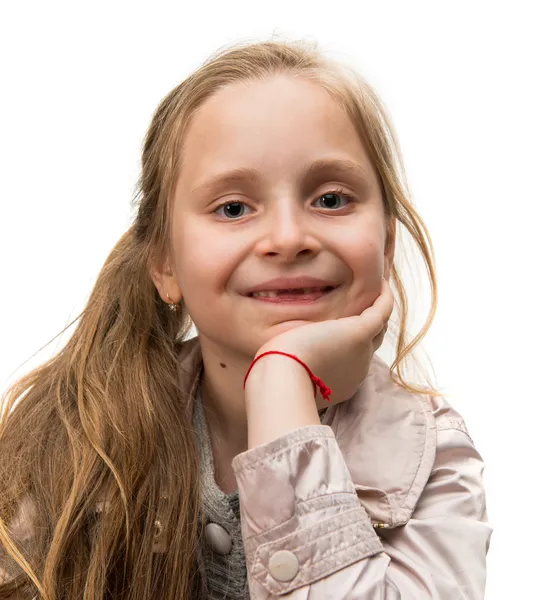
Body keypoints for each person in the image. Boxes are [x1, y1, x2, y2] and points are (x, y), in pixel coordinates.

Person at [0, 38, 492, 599]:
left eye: (331, 199)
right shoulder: (74, 438)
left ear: (384, 246)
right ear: (165, 262)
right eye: (233, 208)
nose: (287, 238)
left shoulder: (432, 457)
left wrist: (282, 381)